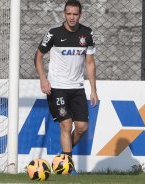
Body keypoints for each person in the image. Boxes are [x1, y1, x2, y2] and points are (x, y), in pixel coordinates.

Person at [35, 0, 99, 172]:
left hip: (77, 87)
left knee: (82, 127)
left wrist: (93, 90)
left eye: (75, 14)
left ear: (80, 14)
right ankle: (67, 167)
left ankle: (63, 157)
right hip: (57, 87)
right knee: (66, 125)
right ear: (64, 13)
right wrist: (43, 79)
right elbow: (39, 56)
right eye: (69, 14)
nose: (72, 17)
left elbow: (90, 63)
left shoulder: (87, 34)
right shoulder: (53, 33)